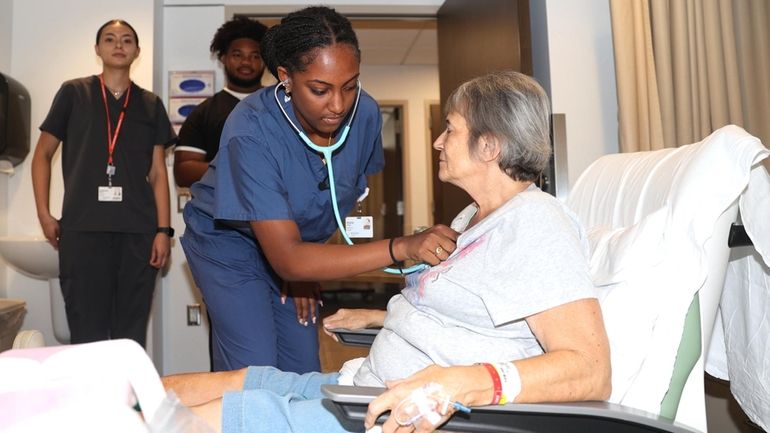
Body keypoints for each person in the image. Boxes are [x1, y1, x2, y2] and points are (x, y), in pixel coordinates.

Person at [162, 70, 612, 433]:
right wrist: (380, 318)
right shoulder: (471, 218)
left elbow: (590, 369)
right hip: (357, 385)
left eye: (450, 130)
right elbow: (472, 311)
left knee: (176, 423)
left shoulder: (535, 223)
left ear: (489, 145)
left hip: (382, 413)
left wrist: (463, 382)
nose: (438, 141)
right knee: (174, 390)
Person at [180, 6, 457, 374]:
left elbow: (330, 201)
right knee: (255, 368)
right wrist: (400, 246)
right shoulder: (250, 130)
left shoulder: (367, 114)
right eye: (320, 89)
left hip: (295, 247)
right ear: (286, 78)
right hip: (228, 245)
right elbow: (289, 258)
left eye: (350, 84)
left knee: (301, 365)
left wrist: (306, 269)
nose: (339, 105)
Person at [31, 19, 175, 348]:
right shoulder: (73, 93)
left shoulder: (150, 104)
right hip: (83, 230)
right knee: (86, 330)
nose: (118, 45)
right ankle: (89, 399)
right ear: (98, 49)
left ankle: (127, 399)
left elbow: (157, 172)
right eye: (109, 39)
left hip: (137, 231)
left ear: (137, 51)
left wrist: (163, 231)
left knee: (131, 331)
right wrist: (44, 213)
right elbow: (42, 155)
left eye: (126, 40)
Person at [173, 16, 268, 187]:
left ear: (265, 61)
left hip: (276, 210)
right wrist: (236, 169)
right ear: (223, 58)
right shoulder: (204, 113)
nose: (246, 62)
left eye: (255, 56)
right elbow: (183, 172)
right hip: (221, 210)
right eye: (237, 55)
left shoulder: (282, 106)